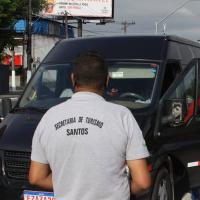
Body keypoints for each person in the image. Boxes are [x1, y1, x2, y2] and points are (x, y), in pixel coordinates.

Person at [28, 52, 151, 200]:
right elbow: (143, 183)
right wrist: (119, 189)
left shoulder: (49, 117)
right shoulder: (122, 116)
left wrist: (68, 185)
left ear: (73, 79)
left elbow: (36, 178)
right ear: (107, 80)